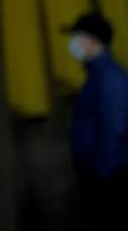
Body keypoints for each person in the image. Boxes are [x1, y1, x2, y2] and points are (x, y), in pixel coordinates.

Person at [64, 12, 127, 230]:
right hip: (98, 174)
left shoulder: (110, 78)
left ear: (92, 39)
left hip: (110, 177)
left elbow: (115, 129)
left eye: (77, 37)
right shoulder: (96, 75)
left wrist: (102, 173)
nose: (73, 44)